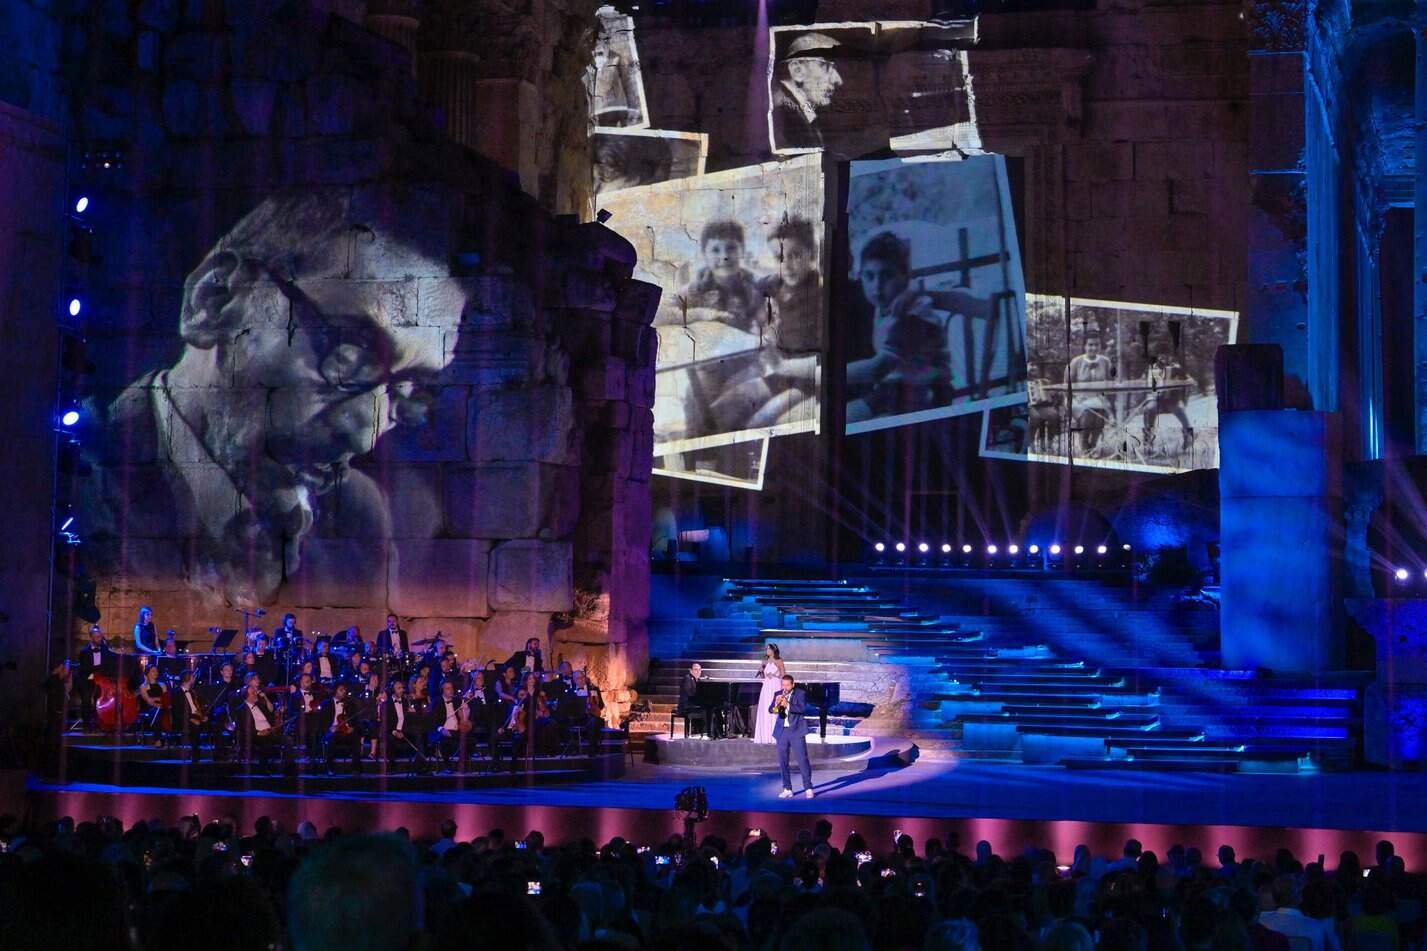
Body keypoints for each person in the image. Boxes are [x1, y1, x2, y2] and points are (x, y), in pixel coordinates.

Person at [77, 190, 473, 610]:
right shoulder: (76, 477)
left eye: (407, 389)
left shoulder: (361, 516)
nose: (364, 435)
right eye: (349, 356)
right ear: (214, 300)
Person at [771, 32, 844, 150]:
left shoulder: (796, 113)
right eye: (827, 67)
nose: (838, 80)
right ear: (797, 71)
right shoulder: (783, 115)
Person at [1065, 333, 1113, 453]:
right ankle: (1084, 445)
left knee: (1100, 412)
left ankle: (1093, 445)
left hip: (1099, 399)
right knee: (1088, 412)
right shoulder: (1075, 362)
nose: (1093, 348)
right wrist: (1074, 397)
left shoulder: (1106, 362)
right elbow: (1066, 385)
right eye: (1090, 345)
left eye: (1097, 345)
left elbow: (1111, 383)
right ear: (1085, 346)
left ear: (1100, 346)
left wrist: (1105, 395)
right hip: (1078, 400)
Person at [1140, 350, 1196, 452]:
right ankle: (1148, 442)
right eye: (1160, 356)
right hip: (1157, 401)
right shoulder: (1152, 369)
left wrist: (1181, 383)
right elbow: (1146, 384)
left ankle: (1188, 437)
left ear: (1170, 357)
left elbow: (1190, 380)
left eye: (1165, 356)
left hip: (1172, 401)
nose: (1163, 359)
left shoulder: (1176, 368)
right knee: (1148, 409)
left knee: (1180, 411)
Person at [771, 674, 814, 799]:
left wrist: (788, 704)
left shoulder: (800, 693)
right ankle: (787, 788)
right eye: (783, 685)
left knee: (802, 760)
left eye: (787, 685)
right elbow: (771, 710)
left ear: (793, 685)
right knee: (783, 761)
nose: (785, 687)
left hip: (796, 731)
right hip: (781, 732)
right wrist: (776, 704)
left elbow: (802, 708)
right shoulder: (778, 694)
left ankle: (808, 788)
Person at [235, 681, 291, 772]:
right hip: (255, 735)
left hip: (270, 731)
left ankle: (288, 767)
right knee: (266, 742)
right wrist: (259, 733)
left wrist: (279, 712)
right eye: (253, 693)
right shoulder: (241, 710)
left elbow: (271, 714)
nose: (256, 694)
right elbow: (244, 728)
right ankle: (263, 768)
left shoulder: (260, 704)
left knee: (288, 740)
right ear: (247, 697)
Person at [74, 624, 113, 730]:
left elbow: (109, 663)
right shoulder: (84, 652)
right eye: (97, 637)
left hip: (101, 679)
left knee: (100, 700)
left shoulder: (105, 649)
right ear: (91, 638)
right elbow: (84, 669)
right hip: (87, 680)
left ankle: (99, 723)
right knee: (86, 700)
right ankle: (86, 725)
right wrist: (94, 674)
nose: (99, 639)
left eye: (100, 637)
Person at [320, 683, 362, 776]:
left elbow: (356, 720)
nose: (344, 692)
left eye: (344, 690)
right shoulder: (326, 704)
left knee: (356, 738)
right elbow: (322, 721)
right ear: (335, 691)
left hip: (346, 731)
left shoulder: (350, 704)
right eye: (341, 690)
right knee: (331, 740)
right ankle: (329, 768)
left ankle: (356, 768)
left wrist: (352, 728)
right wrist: (329, 728)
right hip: (334, 732)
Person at [173, 670, 210, 764]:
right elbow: (178, 712)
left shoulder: (193, 692)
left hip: (195, 716)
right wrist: (191, 719)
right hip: (183, 719)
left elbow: (198, 706)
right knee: (195, 727)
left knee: (213, 723)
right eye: (193, 677)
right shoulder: (177, 693)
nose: (194, 678)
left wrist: (203, 715)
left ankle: (217, 753)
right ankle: (195, 755)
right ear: (188, 679)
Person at [753, 644, 787, 744]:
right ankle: (765, 736)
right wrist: (761, 672)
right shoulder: (765, 661)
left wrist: (776, 676)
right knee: (765, 709)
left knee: (774, 709)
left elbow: (783, 675)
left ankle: (774, 736)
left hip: (775, 686)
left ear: (773, 650)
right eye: (766, 649)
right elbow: (763, 677)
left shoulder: (779, 661)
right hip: (766, 687)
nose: (767, 650)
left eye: (768, 649)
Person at [136, 663, 169, 747]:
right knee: (156, 712)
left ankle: (158, 740)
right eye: (153, 671)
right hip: (150, 707)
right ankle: (158, 739)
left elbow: (165, 698)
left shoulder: (162, 684)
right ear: (148, 673)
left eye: (156, 671)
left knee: (161, 712)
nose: (156, 673)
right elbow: (148, 700)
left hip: (163, 706)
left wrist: (159, 701)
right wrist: (157, 701)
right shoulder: (143, 686)